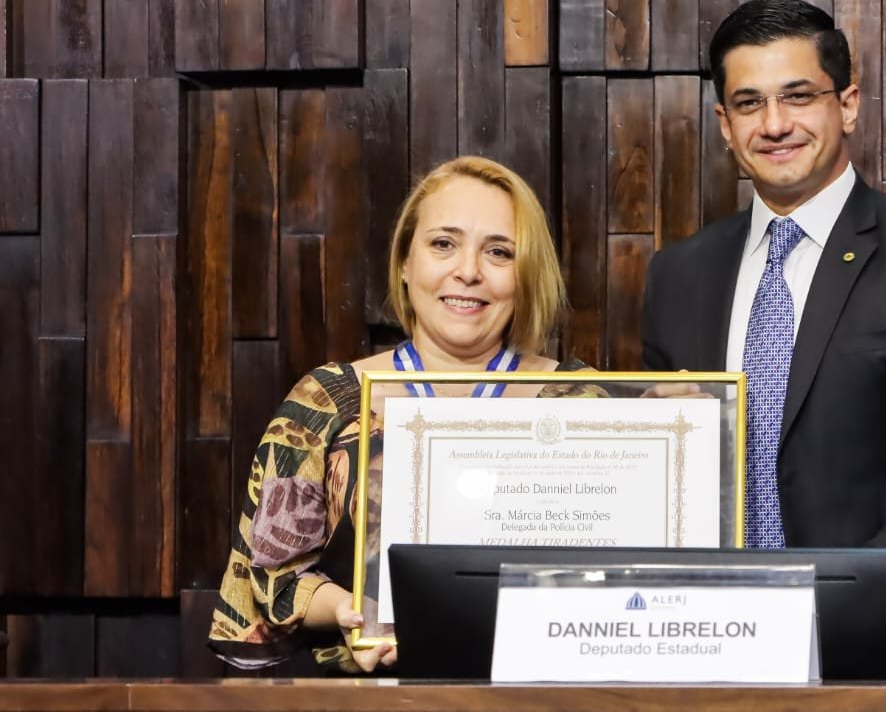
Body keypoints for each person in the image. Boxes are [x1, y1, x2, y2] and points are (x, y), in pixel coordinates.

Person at [641, 0, 886, 678]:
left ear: (847, 104)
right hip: (719, 658)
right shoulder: (679, 275)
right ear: (724, 126)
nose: (776, 124)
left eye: (798, 96)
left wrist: (832, 600)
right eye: (750, 103)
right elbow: (666, 476)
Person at [209, 156, 600, 673]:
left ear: (526, 275)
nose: (468, 271)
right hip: (371, 700)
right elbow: (273, 578)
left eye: (499, 252)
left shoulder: (584, 404)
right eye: (443, 244)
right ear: (404, 263)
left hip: (546, 697)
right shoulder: (326, 402)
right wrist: (352, 612)